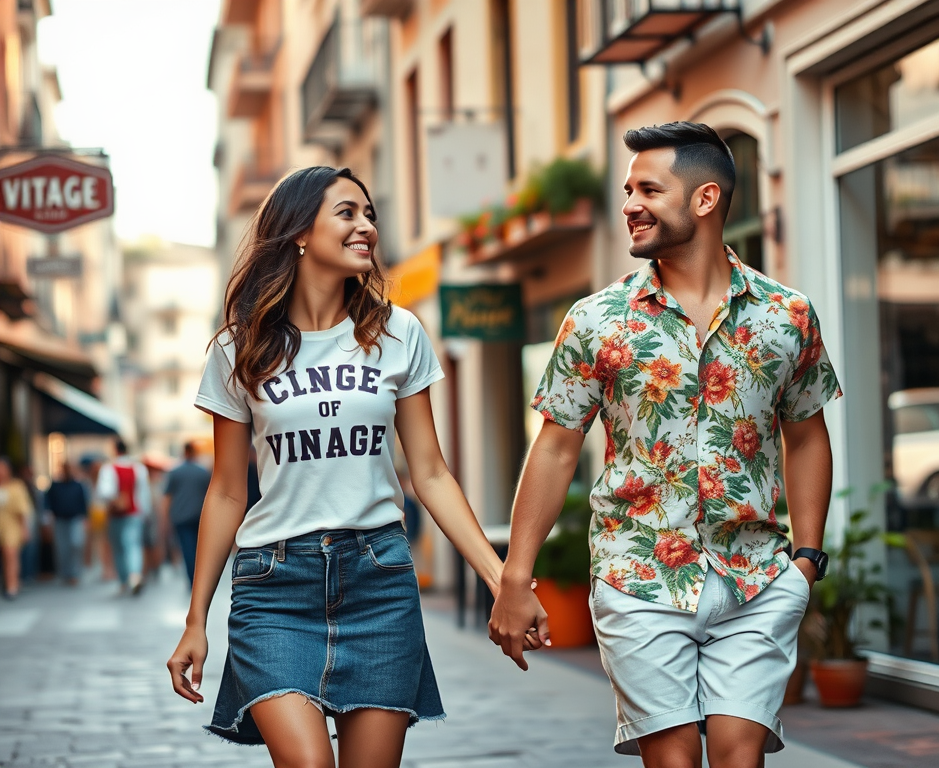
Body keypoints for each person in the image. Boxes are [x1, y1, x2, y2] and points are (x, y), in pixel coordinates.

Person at [489, 122, 842, 768]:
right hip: (639, 573)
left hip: (757, 577)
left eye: (648, 189)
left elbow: (807, 432)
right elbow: (555, 449)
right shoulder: (597, 320)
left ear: (704, 200)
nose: (629, 204)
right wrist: (515, 575)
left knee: (742, 758)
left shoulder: (787, 315)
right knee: (673, 761)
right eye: (627, 189)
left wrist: (807, 559)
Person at [166, 166, 535, 768]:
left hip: (379, 581)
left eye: (370, 215)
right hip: (274, 586)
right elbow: (229, 492)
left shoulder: (398, 333)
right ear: (299, 232)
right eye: (348, 213)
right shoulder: (240, 348)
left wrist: (502, 581)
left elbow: (432, 473)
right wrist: (195, 621)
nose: (366, 226)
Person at [96, 439, 152, 595]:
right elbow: (144, 493)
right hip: (135, 512)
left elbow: (104, 492)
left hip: (116, 514)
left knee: (118, 547)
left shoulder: (108, 468)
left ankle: (123, 581)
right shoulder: (139, 468)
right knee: (133, 544)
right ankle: (135, 575)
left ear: (115, 450)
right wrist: (145, 513)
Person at [161, 441, 211, 587]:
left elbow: (167, 497)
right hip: (200, 516)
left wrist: (165, 518)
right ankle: (202, 580)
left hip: (181, 516)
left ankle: (192, 581)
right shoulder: (203, 472)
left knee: (187, 549)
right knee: (200, 550)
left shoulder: (175, 472)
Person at [44, 462, 89, 585]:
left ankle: (74, 573)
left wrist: (85, 519)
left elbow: (84, 503)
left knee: (75, 544)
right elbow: (47, 502)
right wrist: (48, 518)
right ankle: (65, 573)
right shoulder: (55, 485)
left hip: (75, 519)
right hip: (60, 520)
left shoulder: (78, 485)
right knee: (62, 548)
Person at [0, 457, 34, 599]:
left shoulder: (16, 486)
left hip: (11, 526)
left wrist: (25, 529)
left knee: (11, 556)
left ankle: (12, 586)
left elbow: (22, 511)